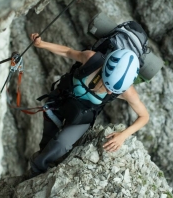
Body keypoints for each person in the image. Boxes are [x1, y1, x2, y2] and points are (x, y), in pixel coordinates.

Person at [27, 33, 149, 178]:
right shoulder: (93, 60)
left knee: (61, 144)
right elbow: (68, 52)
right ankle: (44, 158)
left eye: (115, 91)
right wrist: (42, 44)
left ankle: (36, 171)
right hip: (62, 100)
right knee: (47, 141)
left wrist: (123, 135)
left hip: (82, 117)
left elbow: (144, 116)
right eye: (107, 84)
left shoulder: (129, 91)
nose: (109, 91)